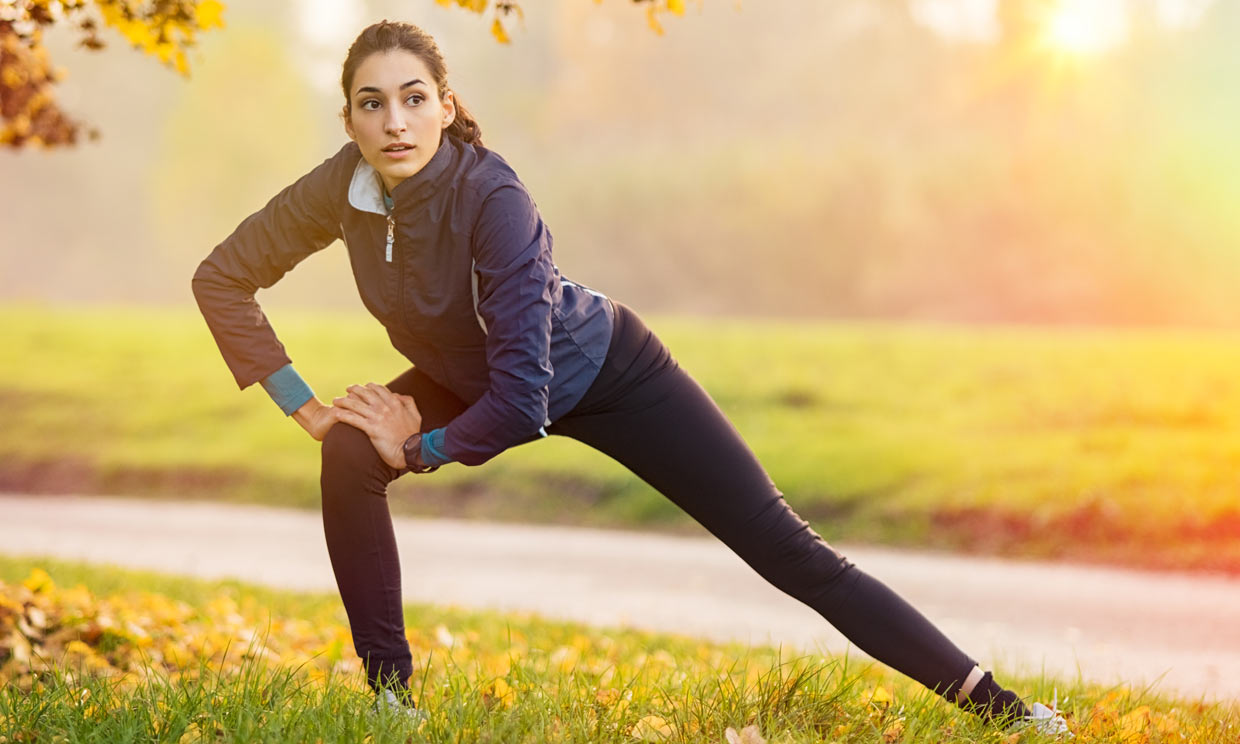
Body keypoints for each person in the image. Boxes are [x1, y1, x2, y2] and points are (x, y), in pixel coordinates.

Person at [191, 19, 1071, 737]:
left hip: (604, 370)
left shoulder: (494, 198)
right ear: (347, 120)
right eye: (371, 104)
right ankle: (389, 701)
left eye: (414, 100)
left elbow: (524, 399)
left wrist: (417, 447)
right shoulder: (340, 189)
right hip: (474, 373)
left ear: (445, 105)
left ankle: (1002, 710)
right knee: (348, 455)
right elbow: (222, 276)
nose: (394, 122)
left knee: (788, 552)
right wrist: (307, 408)